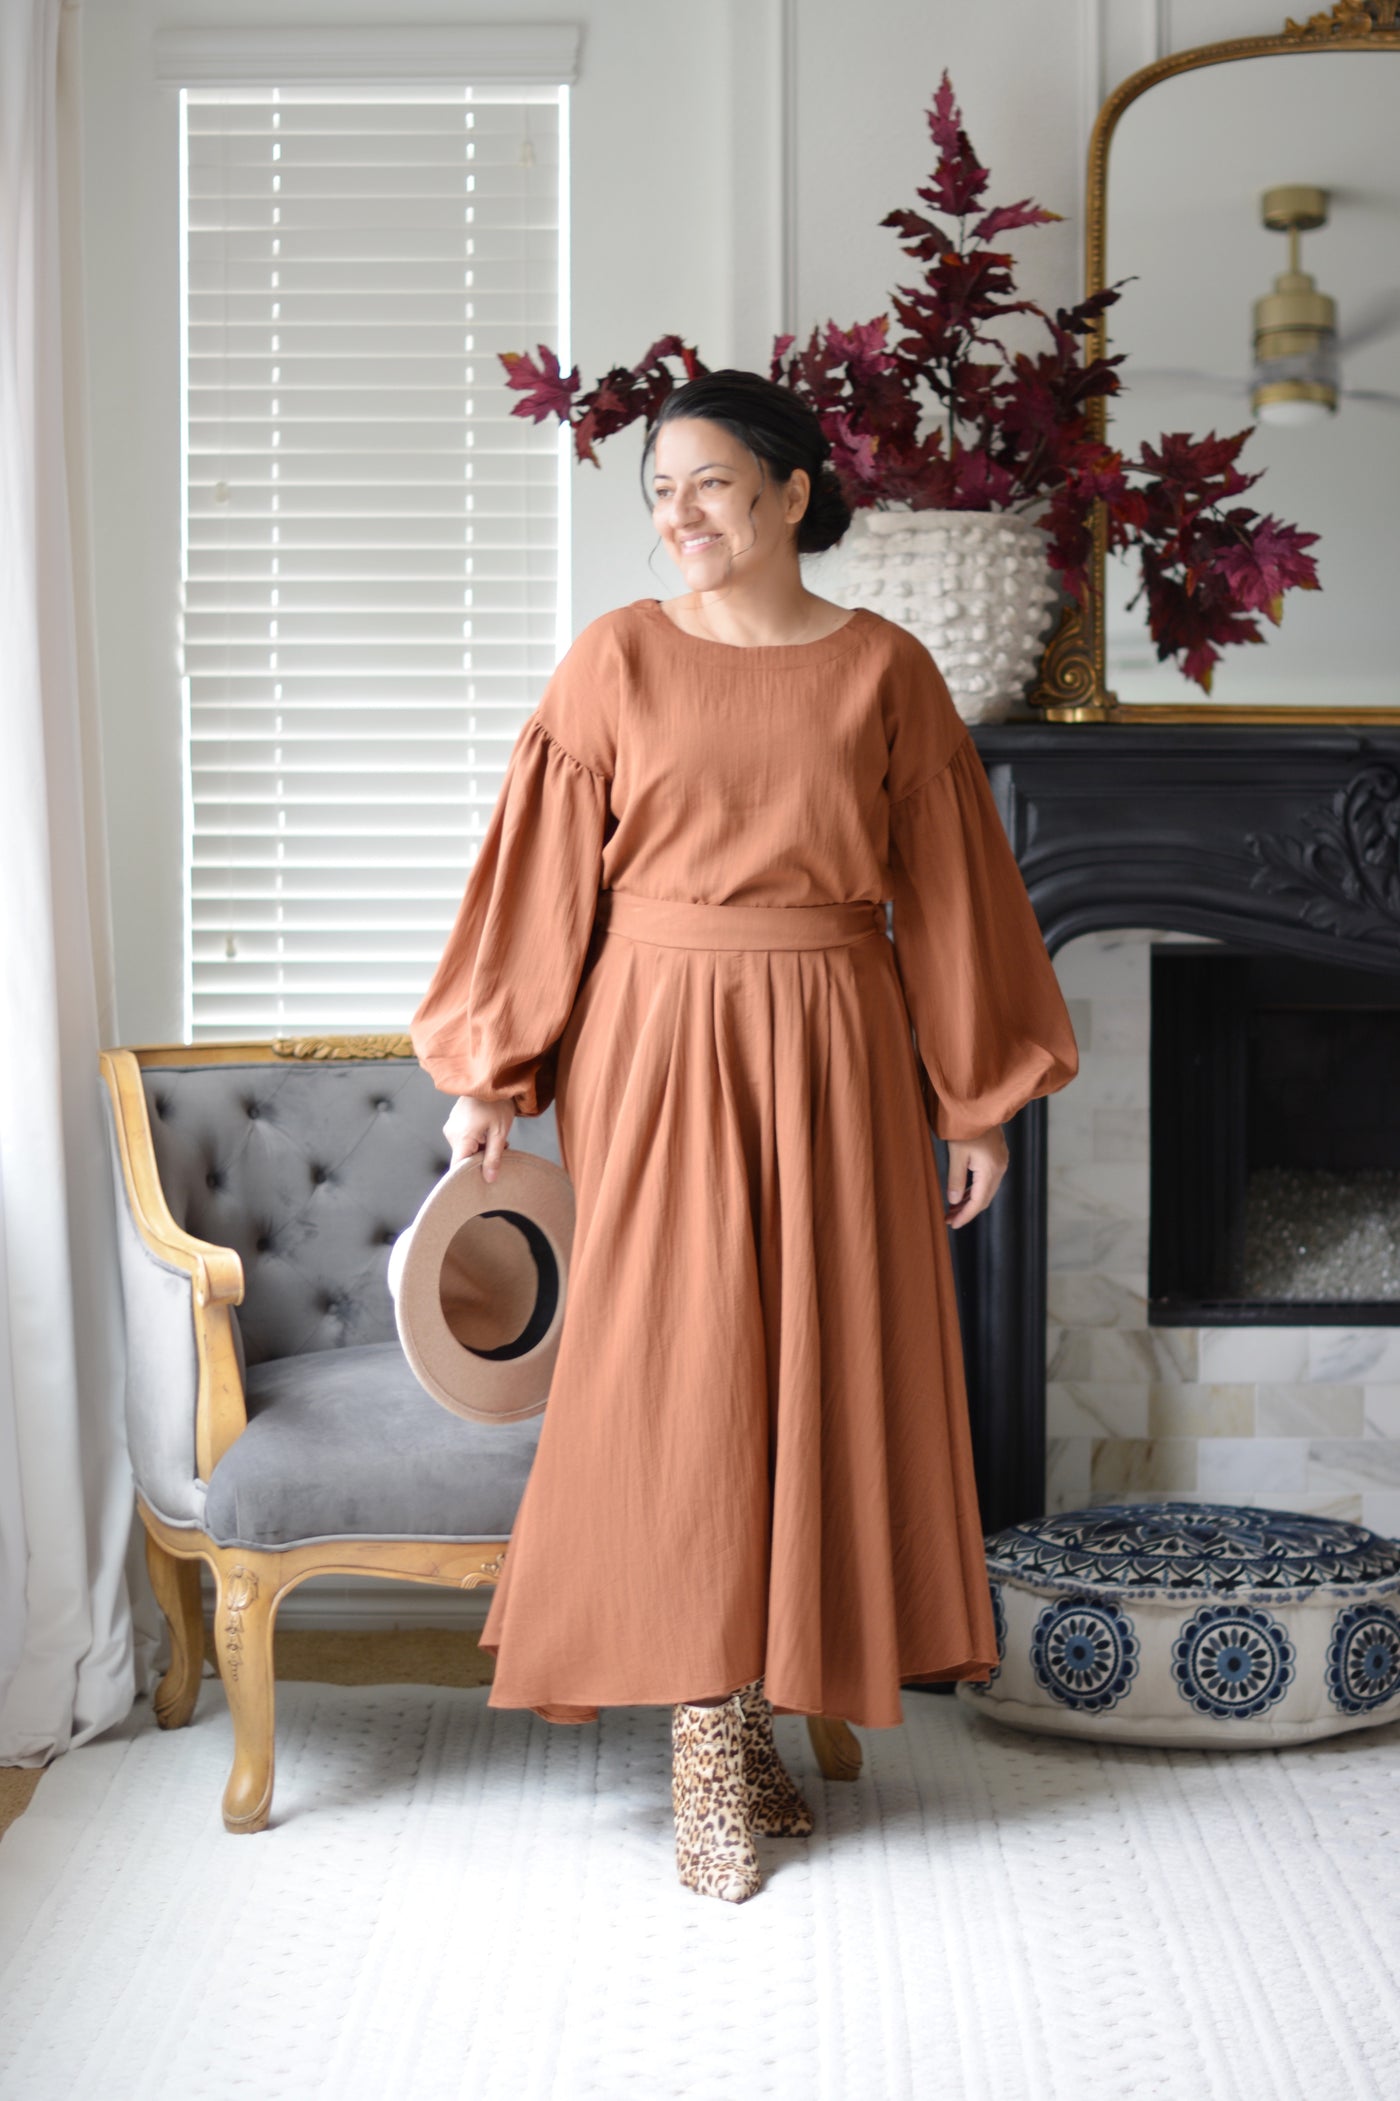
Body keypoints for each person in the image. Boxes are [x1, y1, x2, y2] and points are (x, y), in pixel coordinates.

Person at [409, 369, 1079, 1905]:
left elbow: (955, 892)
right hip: (654, 1038)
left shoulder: (886, 670)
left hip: (841, 1036)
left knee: (818, 1361)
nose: (681, 514)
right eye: (661, 491)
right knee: (687, 1366)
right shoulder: (616, 659)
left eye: (710, 483)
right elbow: (538, 878)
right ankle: (704, 1730)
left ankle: (759, 1701)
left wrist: (976, 1096)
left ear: (790, 494)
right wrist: (489, 1075)